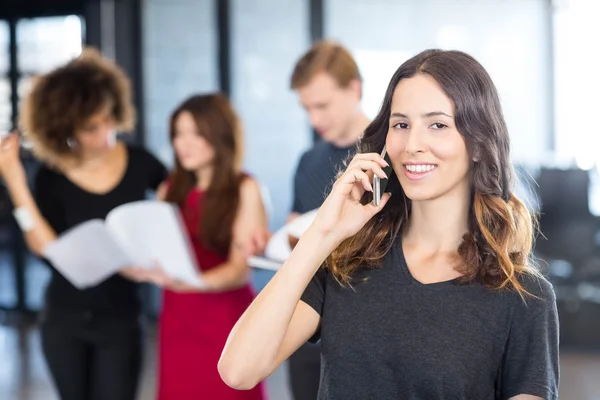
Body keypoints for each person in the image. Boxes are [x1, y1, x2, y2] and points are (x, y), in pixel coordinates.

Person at [218, 49, 559, 400]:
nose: (412, 145)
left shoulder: (523, 297)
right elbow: (238, 370)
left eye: (437, 125)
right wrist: (323, 232)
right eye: (401, 125)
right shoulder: (346, 263)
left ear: (477, 143)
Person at [0, 49, 167, 400]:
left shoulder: (141, 162)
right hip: (65, 321)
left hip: (121, 320)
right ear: (66, 128)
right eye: (91, 128)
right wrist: (15, 181)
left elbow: (173, 215)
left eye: (108, 120)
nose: (106, 134)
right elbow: (43, 246)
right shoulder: (51, 176)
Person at [250, 39, 370, 400]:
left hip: (365, 329)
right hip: (304, 323)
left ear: (355, 89)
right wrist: (272, 244)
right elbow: (297, 232)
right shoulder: (308, 161)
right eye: (307, 108)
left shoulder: (389, 158)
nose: (315, 119)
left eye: (323, 105)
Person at [154, 93, 268, 400]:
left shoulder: (245, 189)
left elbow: (240, 269)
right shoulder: (169, 190)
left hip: (225, 318)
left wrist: (191, 283)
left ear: (219, 135)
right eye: (178, 134)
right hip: (176, 315)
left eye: (195, 133)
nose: (183, 143)